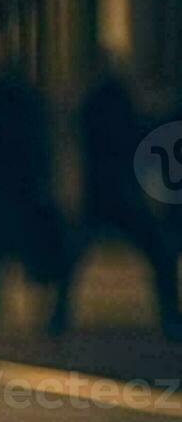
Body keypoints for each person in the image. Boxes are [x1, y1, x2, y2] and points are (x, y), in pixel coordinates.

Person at [53, 63, 180, 336]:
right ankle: (170, 316)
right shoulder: (119, 108)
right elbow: (140, 137)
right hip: (120, 195)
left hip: (98, 195)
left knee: (73, 257)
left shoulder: (90, 108)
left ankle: (58, 316)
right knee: (158, 254)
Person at [0, 64, 70, 331]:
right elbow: (41, 148)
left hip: (2, 192)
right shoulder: (28, 107)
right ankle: (47, 310)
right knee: (27, 249)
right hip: (24, 190)